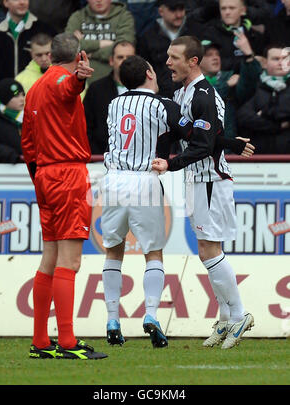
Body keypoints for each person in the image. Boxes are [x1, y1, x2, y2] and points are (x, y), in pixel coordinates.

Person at [100, 54, 254, 348]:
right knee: (153, 253)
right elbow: (196, 136)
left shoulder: (113, 104)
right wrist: (229, 142)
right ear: (148, 73)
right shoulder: (164, 104)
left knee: (113, 251)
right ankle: (151, 315)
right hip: (144, 178)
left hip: (111, 179)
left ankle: (111, 319)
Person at [152, 36, 254, 349]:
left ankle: (239, 314)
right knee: (206, 250)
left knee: (210, 250)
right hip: (198, 180)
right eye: (168, 56)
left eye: (174, 57)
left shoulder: (203, 94)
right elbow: (202, 134)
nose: (168, 62)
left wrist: (171, 164)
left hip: (210, 179)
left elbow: (202, 145)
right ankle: (225, 318)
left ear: (192, 61)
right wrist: (230, 142)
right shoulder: (184, 91)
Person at [21, 32, 108, 360]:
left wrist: (40, 179)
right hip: (68, 174)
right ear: (80, 55)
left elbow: (27, 143)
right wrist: (79, 80)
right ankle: (68, 341)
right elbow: (69, 89)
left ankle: (41, 340)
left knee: (51, 259)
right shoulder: (62, 83)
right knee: (69, 262)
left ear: (51, 55)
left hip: (44, 175)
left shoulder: (34, 90)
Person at [137, 0, 205, 98]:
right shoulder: (148, 37)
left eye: (181, 8)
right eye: (173, 9)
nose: (178, 15)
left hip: (194, 95)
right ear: (161, 11)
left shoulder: (197, 31)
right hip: (160, 97)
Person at [199, 37, 262, 142]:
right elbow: (203, 100)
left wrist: (249, 58)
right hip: (200, 145)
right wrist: (226, 85)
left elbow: (249, 87)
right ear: (196, 60)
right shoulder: (189, 81)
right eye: (209, 55)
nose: (215, 58)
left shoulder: (231, 76)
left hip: (228, 144)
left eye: (217, 54)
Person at [83, 40, 135, 154]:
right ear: (111, 60)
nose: (125, 61)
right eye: (120, 57)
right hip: (101, 159)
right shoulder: (96, 89)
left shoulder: (147, 89)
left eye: (129, 57)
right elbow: (86, 127)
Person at [65, 0, 135, 84]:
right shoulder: (77, 17)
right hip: (81, 82)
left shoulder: (124, 16)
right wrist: (101, 43)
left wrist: (89, 52)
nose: (99, 0)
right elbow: (68, 47)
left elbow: (125, 49)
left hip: (116, 81)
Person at [237, 44, 290, 154]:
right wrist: (277, 126)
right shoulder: (255, 86)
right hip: (259, 159)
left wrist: (263, 113)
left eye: (285, 59)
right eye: (276, 59)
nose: (281, 63)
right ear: (265, 63)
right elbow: (243, 116)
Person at [0, 0, 55, 82]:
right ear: (5, 2)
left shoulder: (46, 30)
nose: (22, 2)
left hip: (37, 91)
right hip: (3, 92)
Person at [204, 0, 265, 72]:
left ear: (243, 10)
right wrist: (248, 59)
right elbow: (210, 63)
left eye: (232, 8)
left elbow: (263, 62)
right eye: (223, 8)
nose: (227, 12)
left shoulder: (254, 34)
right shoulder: (210, 34)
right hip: (224, 80)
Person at [0, 78, 25, 162]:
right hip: (7, 172)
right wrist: (10, 154)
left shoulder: (31, 118)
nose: (22, 99)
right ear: (5, 98)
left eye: (23, 94)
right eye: (16, 96)